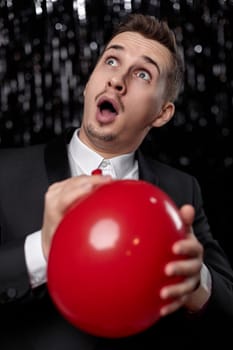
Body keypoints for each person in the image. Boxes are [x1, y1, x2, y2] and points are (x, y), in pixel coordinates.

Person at [0, 13, 233, 350]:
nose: (117, 80)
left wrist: (197, 283)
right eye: (111, 60)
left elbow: (226, 312)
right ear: (90, 81)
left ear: (162, 114)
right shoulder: (5, 170)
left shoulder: (182, 191)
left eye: (142, 74)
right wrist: (42, 251)